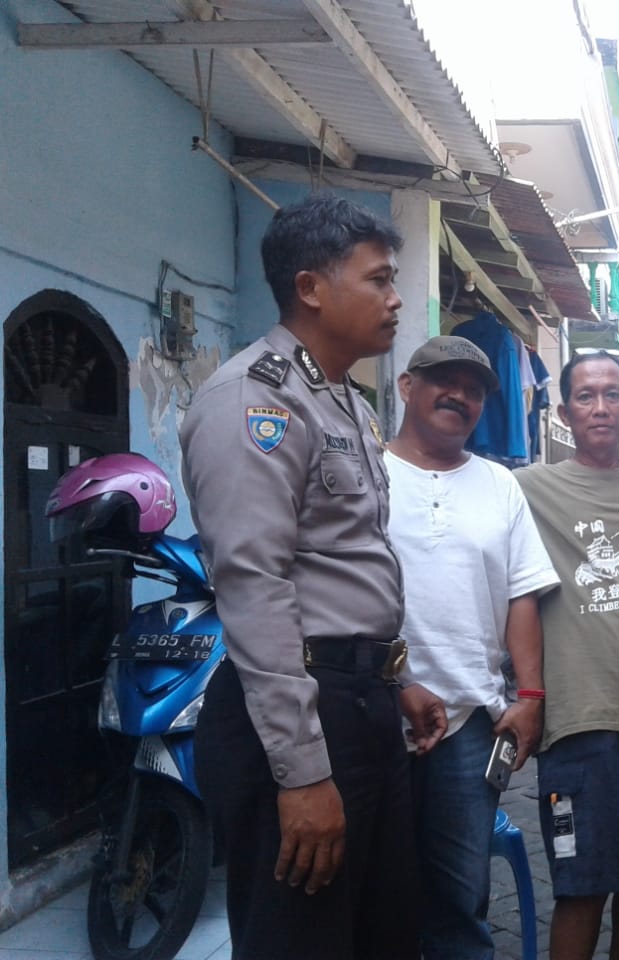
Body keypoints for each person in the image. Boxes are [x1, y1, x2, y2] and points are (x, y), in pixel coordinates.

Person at [180, 195, 418, 959]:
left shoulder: (342, 401)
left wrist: (397, 677)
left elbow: (346, 565)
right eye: (378, 279)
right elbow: (254, 585)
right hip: (302, 718)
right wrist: (303, 774)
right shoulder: (255, 400)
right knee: (301, 942)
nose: (395, 298)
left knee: (383, 938)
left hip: (361, 703)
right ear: (310, 287)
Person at [385, 335, 559, 960]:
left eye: (475, 389)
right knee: (374, 894)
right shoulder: (366, 473)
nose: (459, 395)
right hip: (373, 711)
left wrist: (529, 696)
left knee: (460, 904)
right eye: (445, 381)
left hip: (469, 725)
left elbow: (522, 595)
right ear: (408, 387)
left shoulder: (498, 484)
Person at [516, 352, 619, 960]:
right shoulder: (527, 489)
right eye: (586, 397)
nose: (600, 407)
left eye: (613, 395)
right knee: (580, 883)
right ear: (564, 413)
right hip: (577, 719)